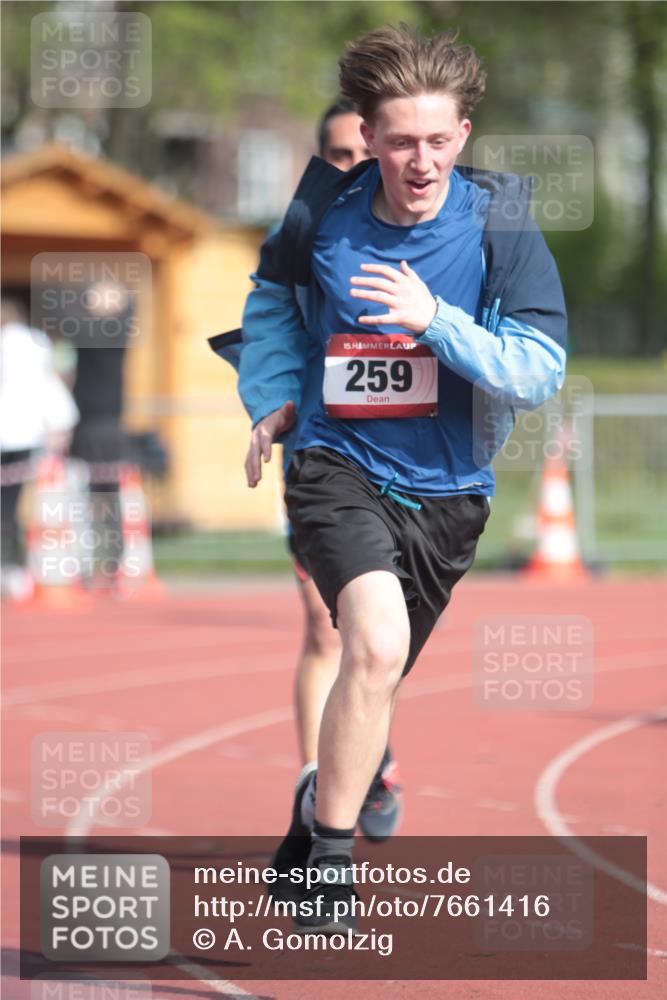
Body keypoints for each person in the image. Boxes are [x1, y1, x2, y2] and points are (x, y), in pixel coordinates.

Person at [225, 24, 567, 934]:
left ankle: (314, 816)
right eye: (402, 141)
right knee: (370, 648)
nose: (422, 161)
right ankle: (331, 869)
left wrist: (435, 321)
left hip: (449, 494)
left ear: (464, 135)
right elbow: (270, 302)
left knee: (377, 680)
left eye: (439, 140)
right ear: (367, 136)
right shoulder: (320, 218)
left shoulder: (498, 224)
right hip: (336, 465)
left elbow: (537, 371)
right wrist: (271, 395)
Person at [0, 298, 79, 600]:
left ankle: (13, 568)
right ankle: (16, 570)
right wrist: (60, 421)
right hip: (27, 434)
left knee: (7, 508)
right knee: (11, 506)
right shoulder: (37, 344)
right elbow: (48, 385)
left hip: (13, 432)